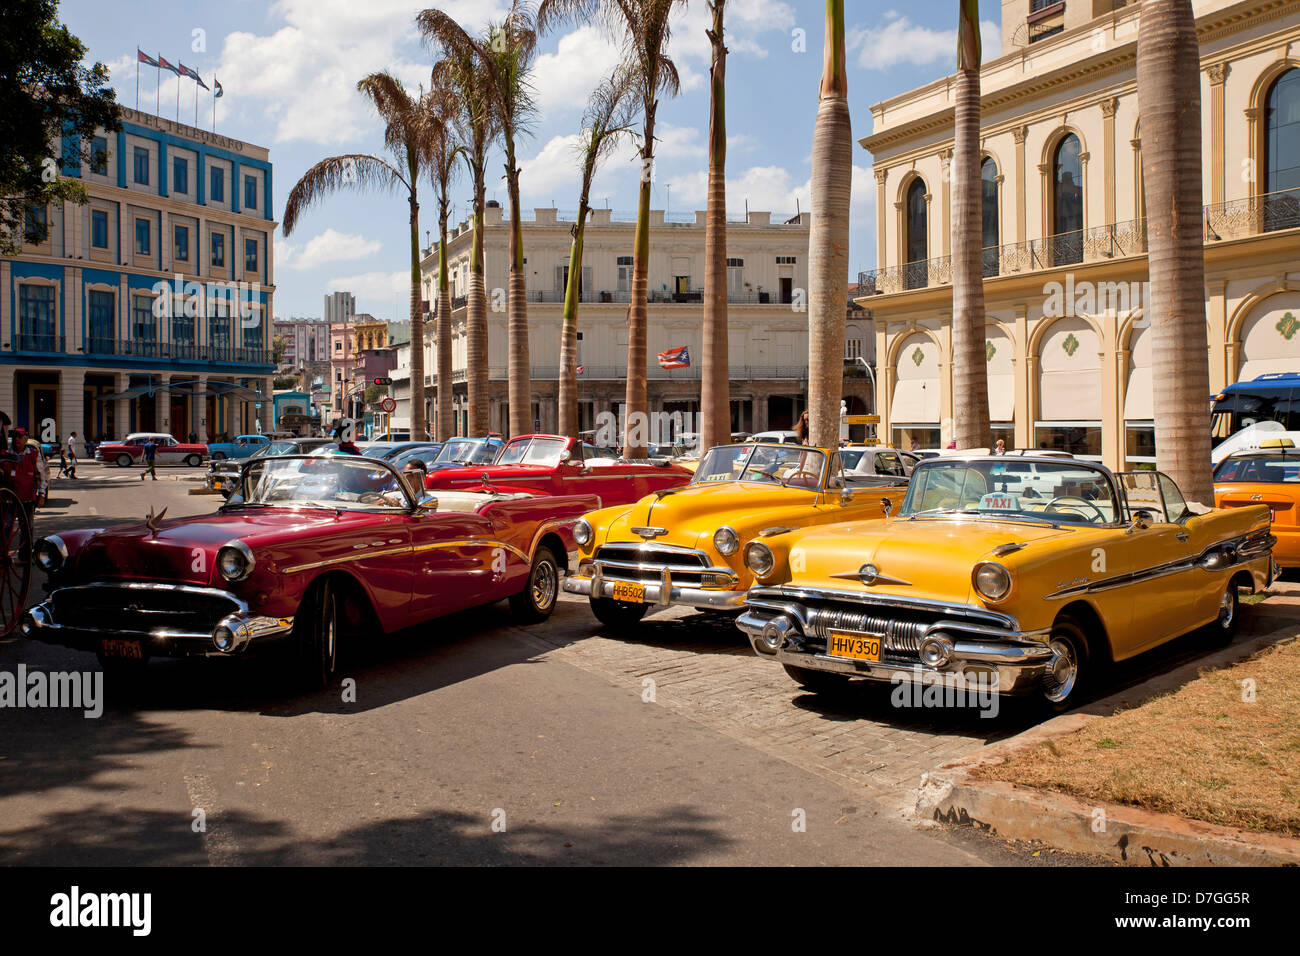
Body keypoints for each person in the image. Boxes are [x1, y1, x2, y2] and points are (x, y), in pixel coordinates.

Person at [6, 428, 48, 533]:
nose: (17, 439)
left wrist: (41, 494)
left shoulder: (33, 455)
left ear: (26, 439)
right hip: (8, 500)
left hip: (27, 499)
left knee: (27, 528)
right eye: (15, 436)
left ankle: (27, 549)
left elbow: (41, 476)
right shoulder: (5, 454)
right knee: (6, 526)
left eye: (20, 437)